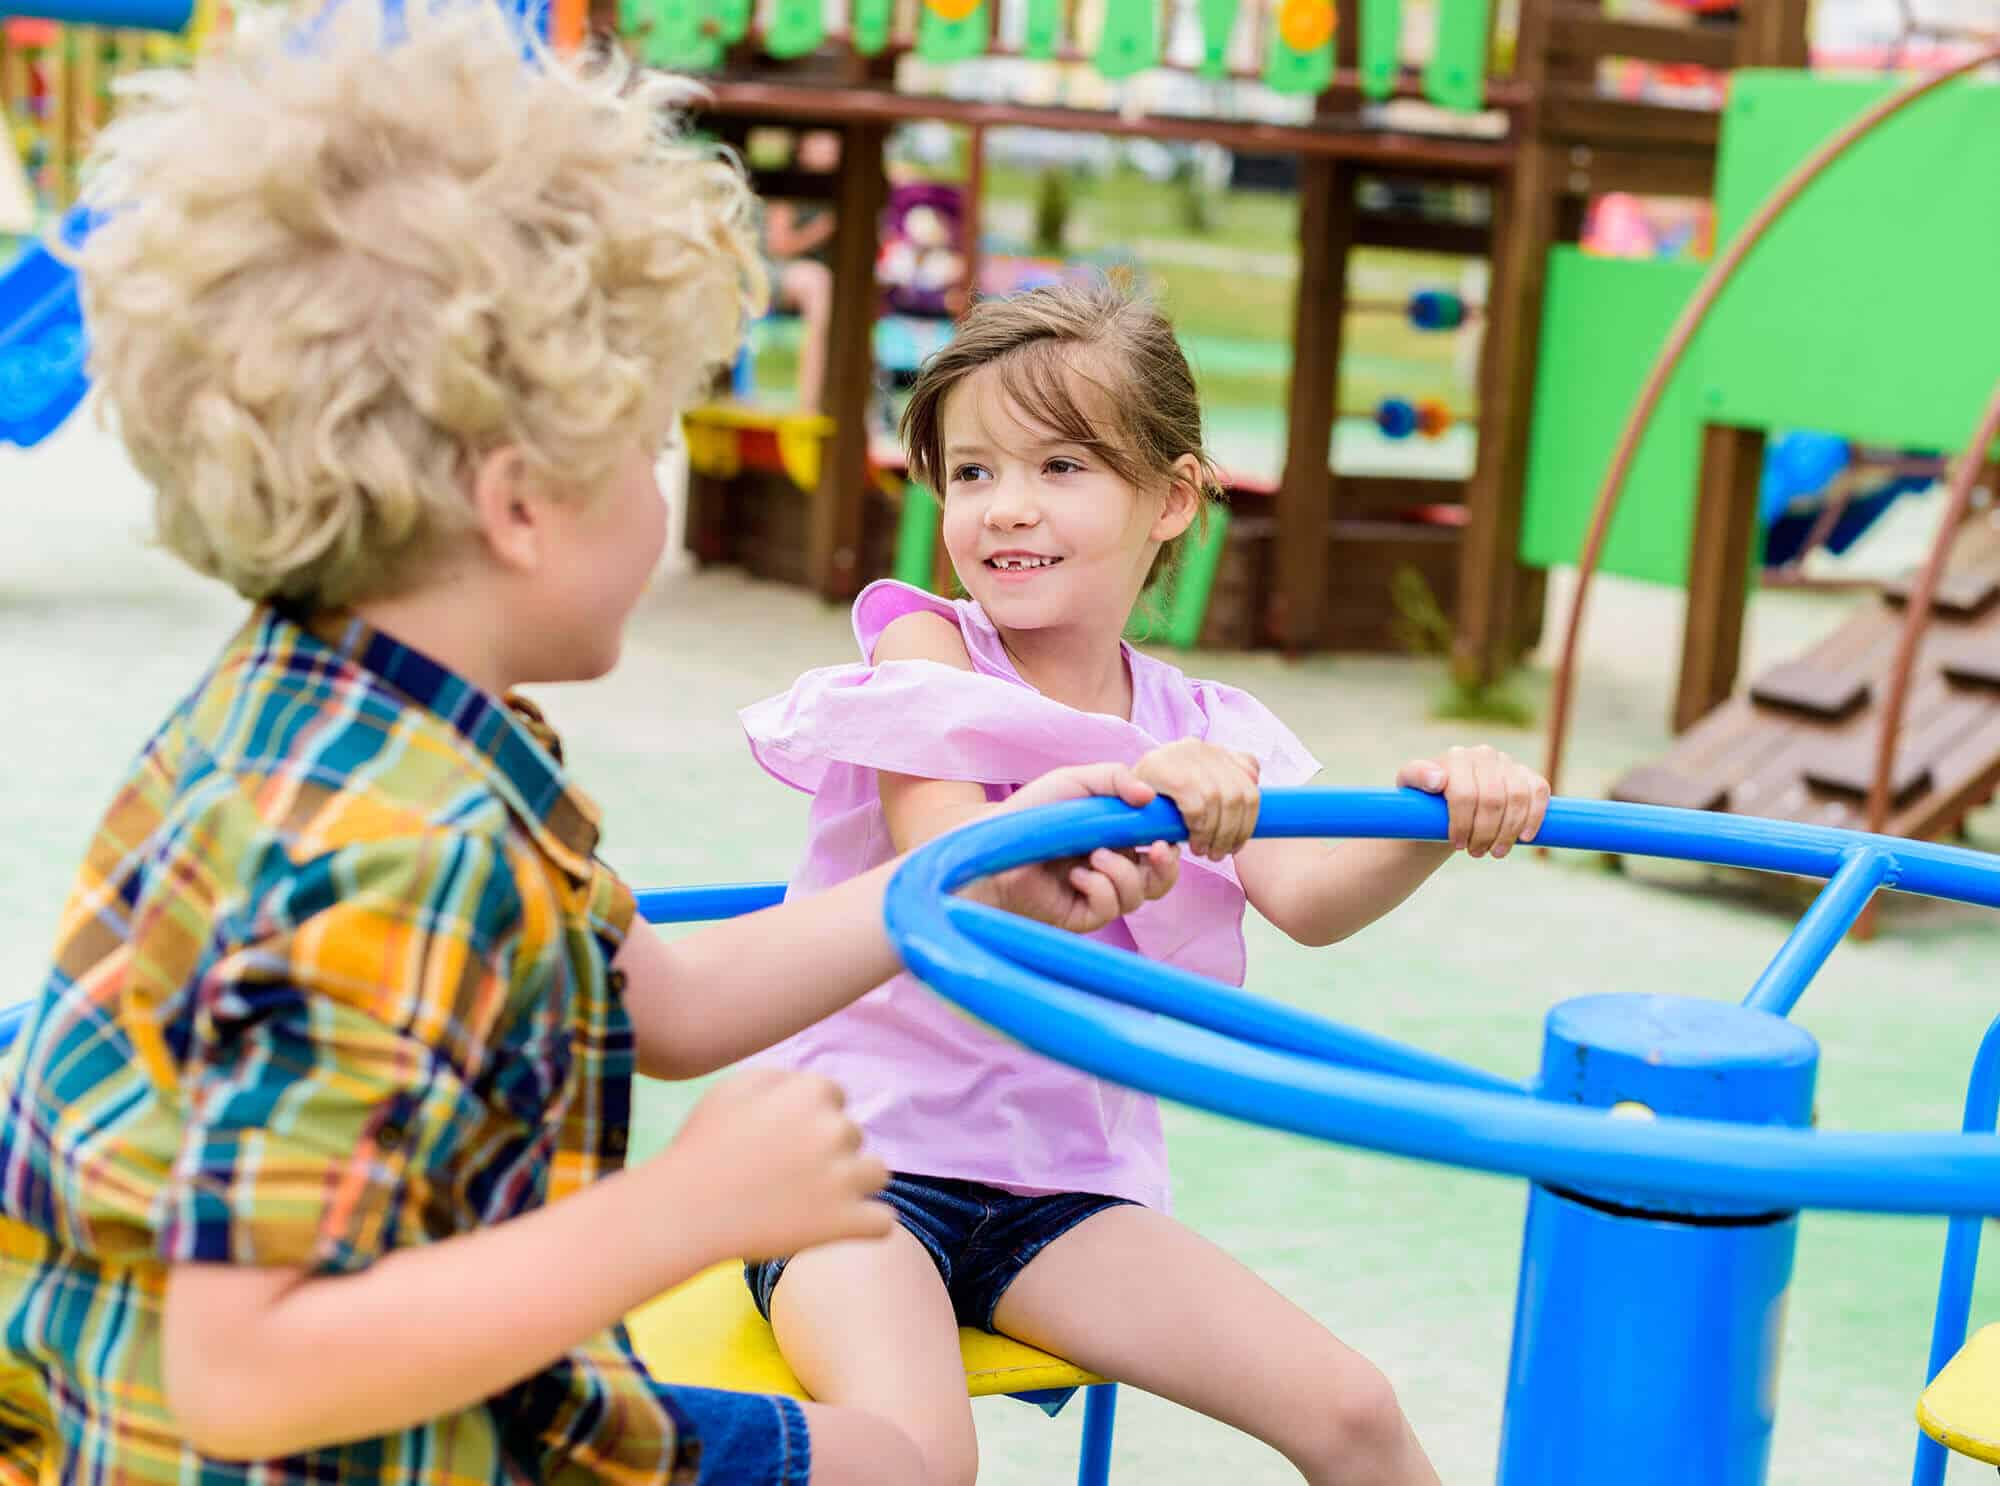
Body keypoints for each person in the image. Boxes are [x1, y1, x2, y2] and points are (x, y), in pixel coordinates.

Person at [0, 15, 1182, 1486]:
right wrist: (685, 1209)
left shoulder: (358, 715)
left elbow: (663, 1000)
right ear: (519, 505)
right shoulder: (400, 844)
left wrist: (973, 873)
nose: (660, 492)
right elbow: (244, 1375)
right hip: (333, 1448)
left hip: (395, 1390)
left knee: (902, 1464)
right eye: (647, 445)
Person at [739, 281, 1552, 1486]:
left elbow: (1310, 897)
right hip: (849, 1163)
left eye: (1060, 466)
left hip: (1057, 1192)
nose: (1006, 506)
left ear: (1170, 498)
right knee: (924, 1457)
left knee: (1352, 1410)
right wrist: (1131, 781)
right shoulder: (923, 647)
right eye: (971, 472)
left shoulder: (1209, 725)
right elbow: (944, 866)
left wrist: (1441, 813)